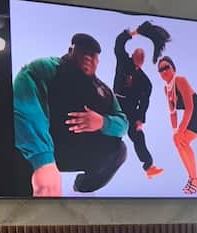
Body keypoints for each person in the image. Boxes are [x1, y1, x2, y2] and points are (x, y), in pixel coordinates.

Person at [13, 33, 128, 196]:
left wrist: (102, 122)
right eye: (83, 51)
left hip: (74, 149)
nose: (88, 57)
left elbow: (123, 124)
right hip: (40, 146)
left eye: (92, 54)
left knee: (119, 150)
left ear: (98, 61)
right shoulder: (46, 68)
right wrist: (43, 160)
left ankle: (82, 186)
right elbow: (26, 103)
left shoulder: (104, 91)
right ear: (70, 51)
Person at [113, 27, 163, 179]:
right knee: (110, 131)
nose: (139, 59)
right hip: (115, 102)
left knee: (138, 135)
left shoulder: (145, 82)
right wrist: (134, 32)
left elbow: (144, 102)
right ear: (132, 55)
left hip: (131, 110)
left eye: (142, 57)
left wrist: (140, 120)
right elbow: (119, 43)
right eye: (137, 55)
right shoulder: (123, 61)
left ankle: (149, 166)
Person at [157, 57, 197, 194]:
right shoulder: (167, 89)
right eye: (161, 70)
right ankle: (192, 178)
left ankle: (195, 179)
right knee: (178, 141)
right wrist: (175, 132)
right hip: (191, 117)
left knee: (183, 140)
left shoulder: (180, 80)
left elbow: (190, 107)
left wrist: (181, 131)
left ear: (173, 68)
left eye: (166, 67)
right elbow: (173, 113)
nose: (164, 71)